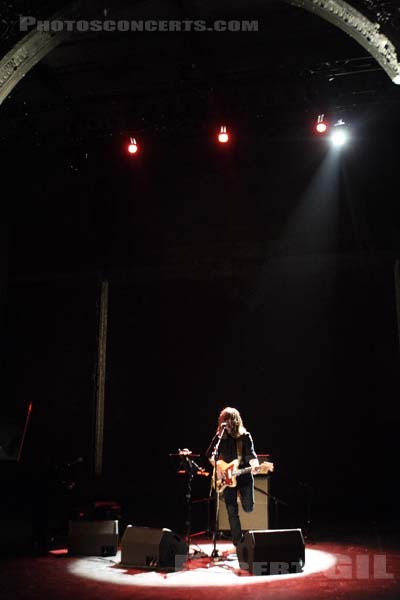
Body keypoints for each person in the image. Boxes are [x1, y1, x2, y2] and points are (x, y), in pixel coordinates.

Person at [205, 406, 274, 547]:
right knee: (231, 511)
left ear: (235, 421)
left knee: (248, 507)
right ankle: (238, 543)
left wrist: (255, 466)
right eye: (224, 420)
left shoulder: (244, 436)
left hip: (243, 476)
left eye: (229, 420)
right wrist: (218, 468)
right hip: (226, 478)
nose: (226, 424)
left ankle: (242, 497)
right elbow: (210, 455)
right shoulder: (219, 437)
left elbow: (251, 456)